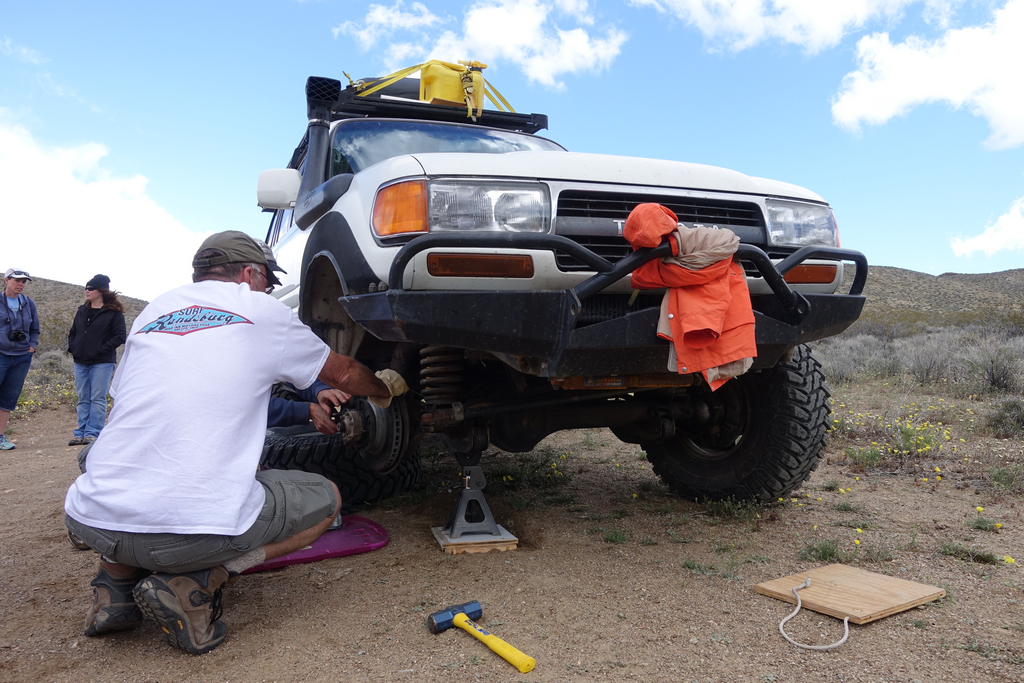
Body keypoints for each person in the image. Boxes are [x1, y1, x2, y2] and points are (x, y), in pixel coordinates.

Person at [63, 231, 409, 655]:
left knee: (111, 466)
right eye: (267, 279)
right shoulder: (257, 308)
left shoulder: (156, 309)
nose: (270, 289)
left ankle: (112, 591)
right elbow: (342, 375)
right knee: (328, 498)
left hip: (92, 519)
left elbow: (138, 407)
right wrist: (384, 388)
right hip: (184, 533)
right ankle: (195, 584)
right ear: (249, 273)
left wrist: (307, 401)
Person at [67, 275, 127, 446]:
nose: (87, 291)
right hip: (80, 361)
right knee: (83, 397)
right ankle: (81, 432)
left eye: (91, 288)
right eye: (86, 288)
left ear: (101, 291)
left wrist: (100, 350)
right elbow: (73, 333)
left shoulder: (114, 314)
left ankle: (94, 432)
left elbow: (119, 336)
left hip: (102, 362)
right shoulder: (81, 311)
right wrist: (74, 348)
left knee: (97, 397)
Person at [0, 269, 39, 451]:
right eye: (17, 281)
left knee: (8, 397)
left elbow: (35, 329)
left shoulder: (28, 303)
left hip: (22, 357)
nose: (21, 284)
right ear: (6, 280)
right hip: (1, 354)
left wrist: (31, 347)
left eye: (24, 282)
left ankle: (0, 437)